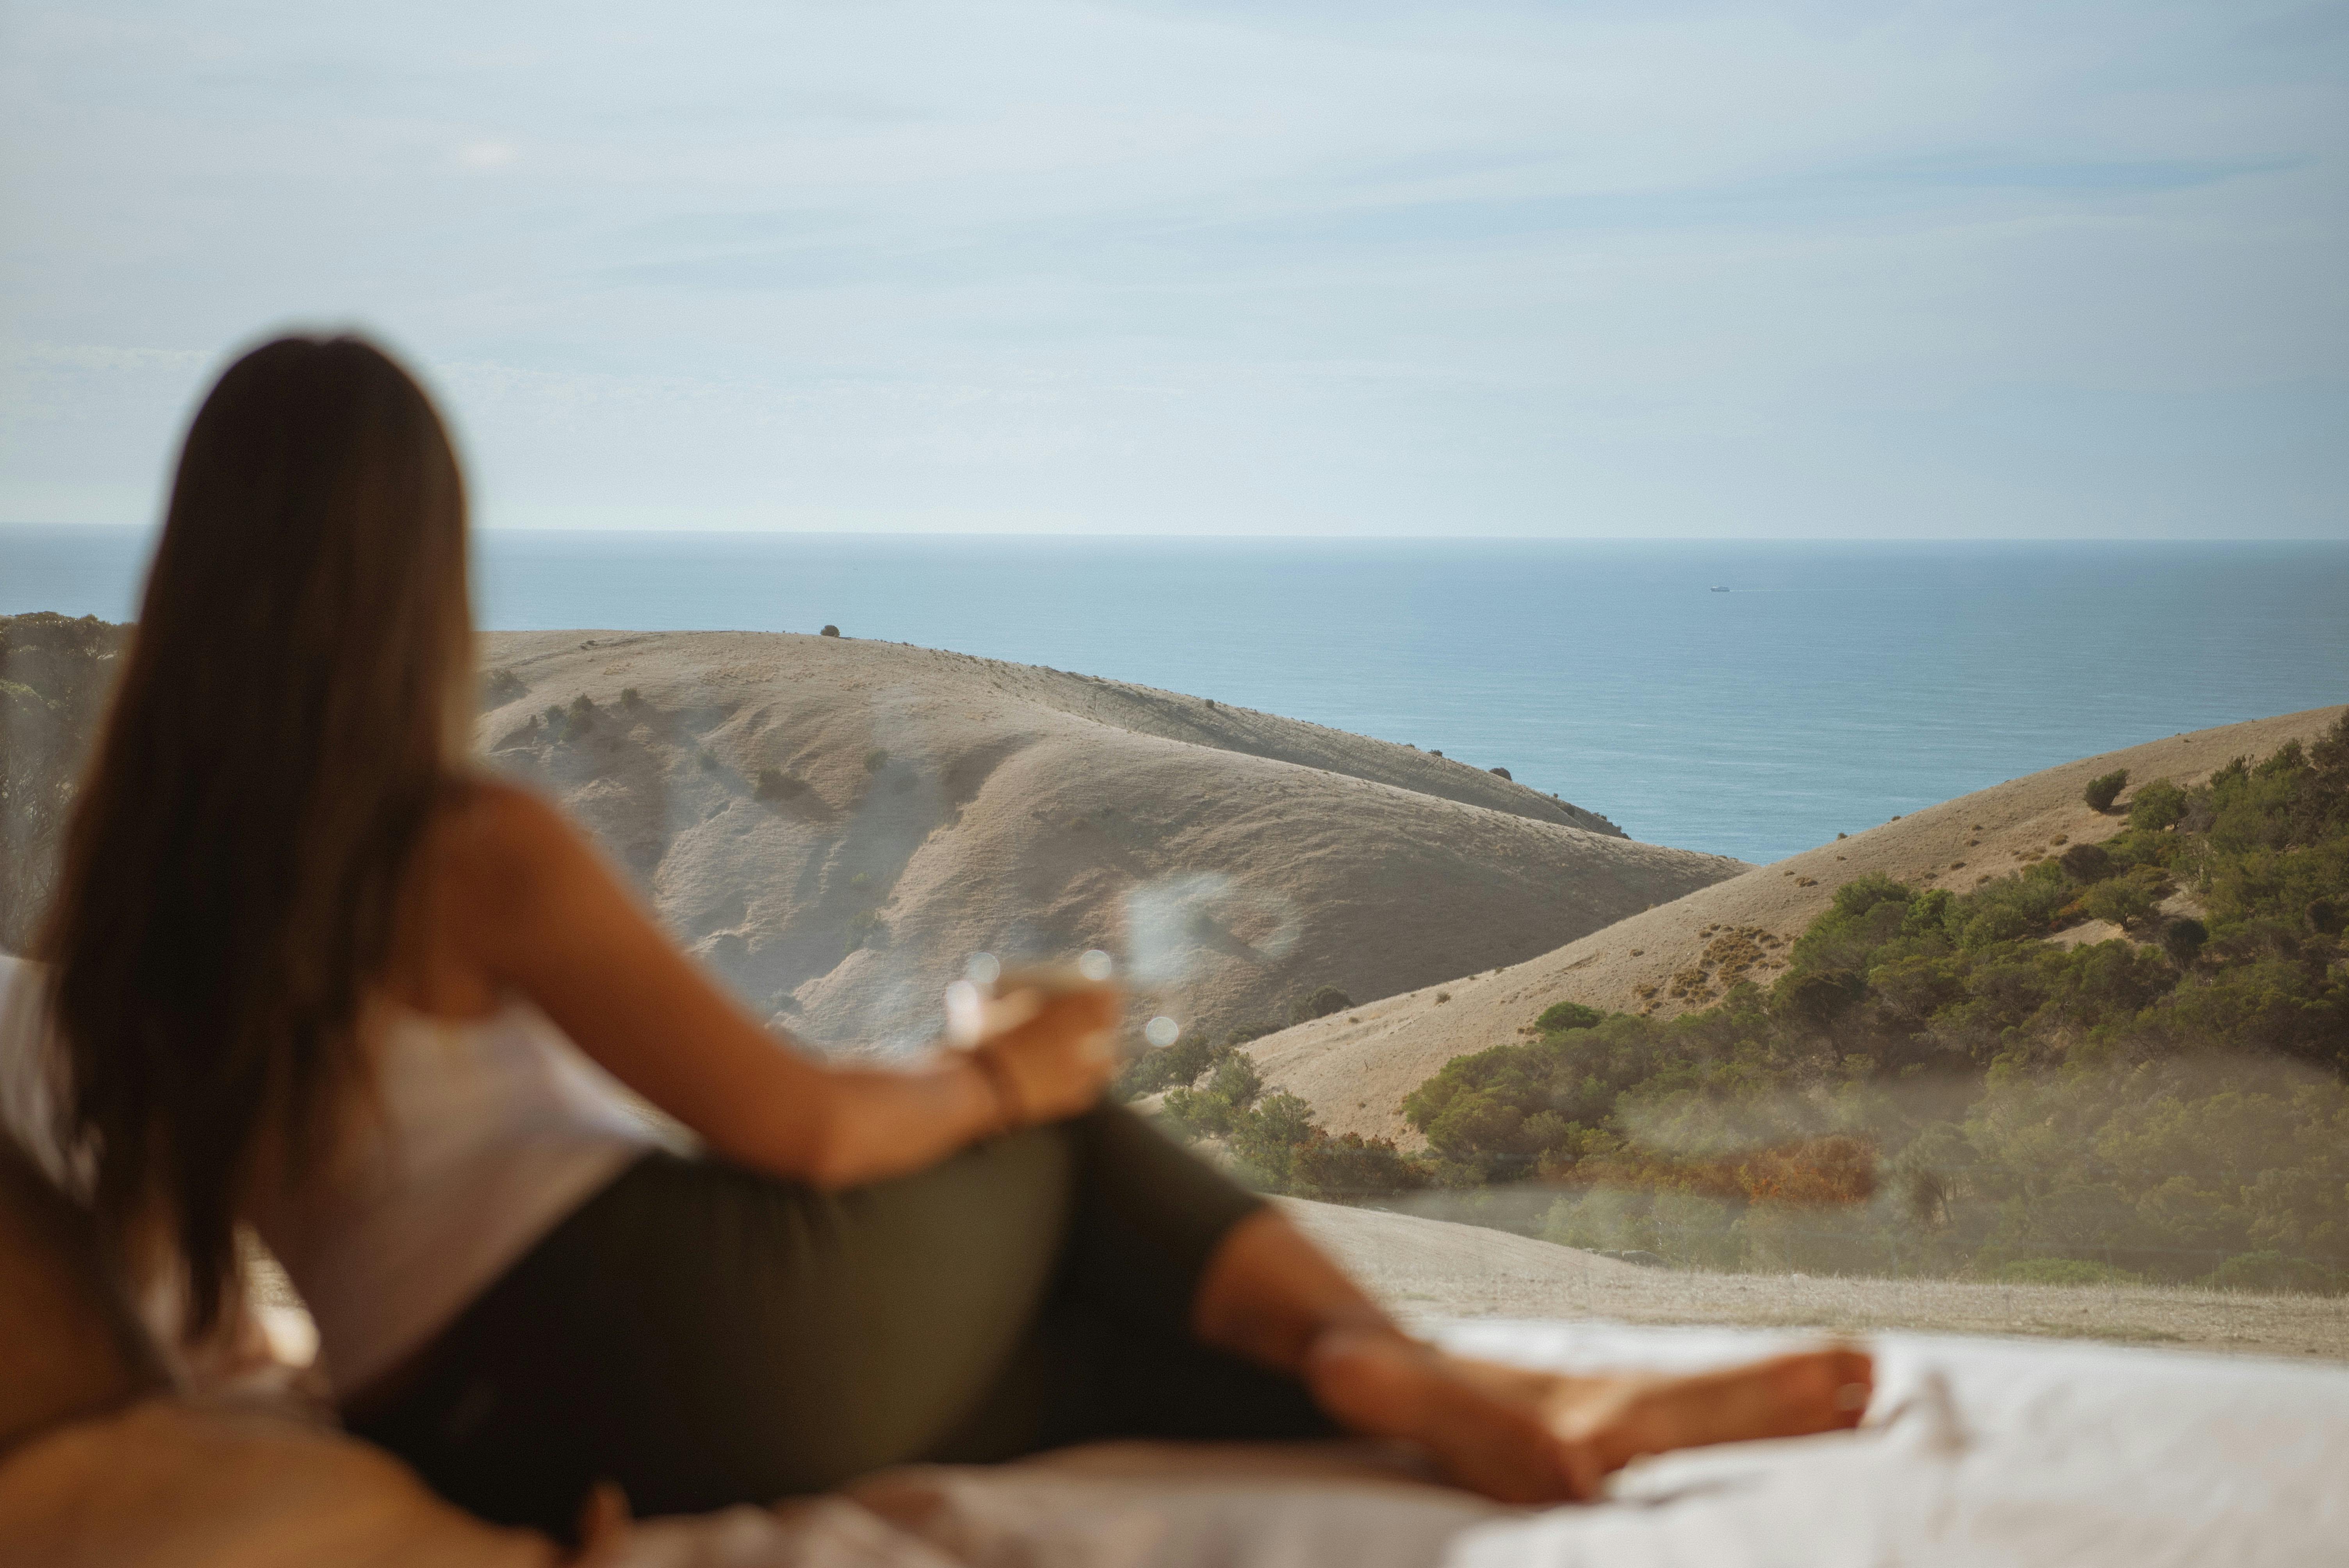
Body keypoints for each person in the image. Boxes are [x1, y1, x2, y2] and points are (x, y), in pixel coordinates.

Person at [33, 335, 1870, 1541]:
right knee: (1061, 1146)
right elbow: (803, 1136)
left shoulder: (124, 890)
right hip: (635, 1317)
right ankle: (1422, 1367)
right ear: (414, 571)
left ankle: (1499, 1396)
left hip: (471, 1416)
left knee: (1069, 1359)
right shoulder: (458, 843)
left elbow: (153, 1264)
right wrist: (1006, 1063)